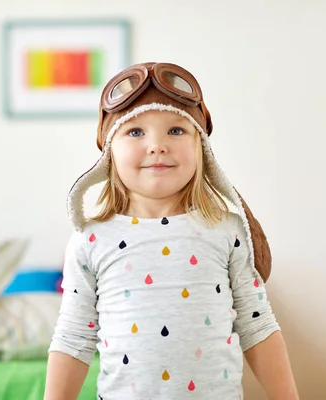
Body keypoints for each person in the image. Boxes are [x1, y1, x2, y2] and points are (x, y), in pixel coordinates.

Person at [44, 62, 298, 399]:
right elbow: (73, 337)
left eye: (176, 131)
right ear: (108, 151)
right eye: (135, 132)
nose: (157, 145)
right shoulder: (90, 240)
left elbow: (257, 325)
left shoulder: (227, 230)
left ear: (201, 147)